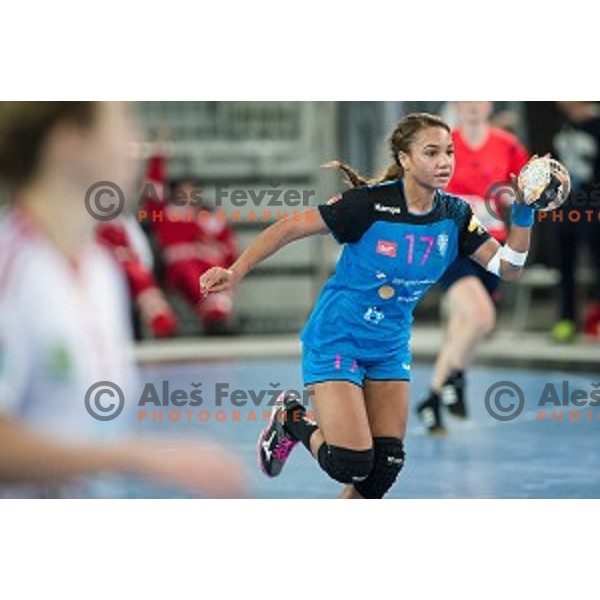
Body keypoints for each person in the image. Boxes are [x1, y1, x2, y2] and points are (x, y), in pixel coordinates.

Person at [201, 112, 547, 499]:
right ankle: (292, 419)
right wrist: (235, 271)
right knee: (350, 462)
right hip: (338, 337)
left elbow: (508, 267)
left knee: (383, 471)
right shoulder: (367, 206)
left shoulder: (454, 214)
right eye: (431, 153)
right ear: (404, 158)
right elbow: (290, 227)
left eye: (449, 152)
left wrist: (524, 213)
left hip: (389, 345)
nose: (445, 162)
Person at [0, 102, 245, 498]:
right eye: (122, 123)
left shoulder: (99, 272)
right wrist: (137, 457)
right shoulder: (11, 272)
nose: (134, 142)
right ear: (70, 140)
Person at [416, 102, 529, 434]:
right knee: (481, 317)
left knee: (461, 329)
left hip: (490, 248)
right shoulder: (444, 144)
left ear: (489, 104)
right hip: (450, 246)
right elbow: (423, 189)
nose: (472, 106)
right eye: (465, 99)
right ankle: (456, 377)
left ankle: (433, 398)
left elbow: (524, 189)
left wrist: (525, 192)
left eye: (479, 98)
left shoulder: (507, 144)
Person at [142, 155, 238, 335]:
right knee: (190, 271)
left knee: (221, 271)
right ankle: (212, 315)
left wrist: (214, 250)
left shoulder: (211, 218)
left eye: (193, 191)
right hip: (180, 267)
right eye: (183, 192)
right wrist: (158, 157)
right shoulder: (166, 213)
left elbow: (230, 249)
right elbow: (152, 190)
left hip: (211, 262)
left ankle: (217, 316)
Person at [551, 101, 600, 342]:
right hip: (565, 205)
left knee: (596, 262)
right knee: (564, 265)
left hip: (593, 205)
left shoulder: (596, 125)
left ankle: (596, 318)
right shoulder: (562, 125)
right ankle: (566, 318)